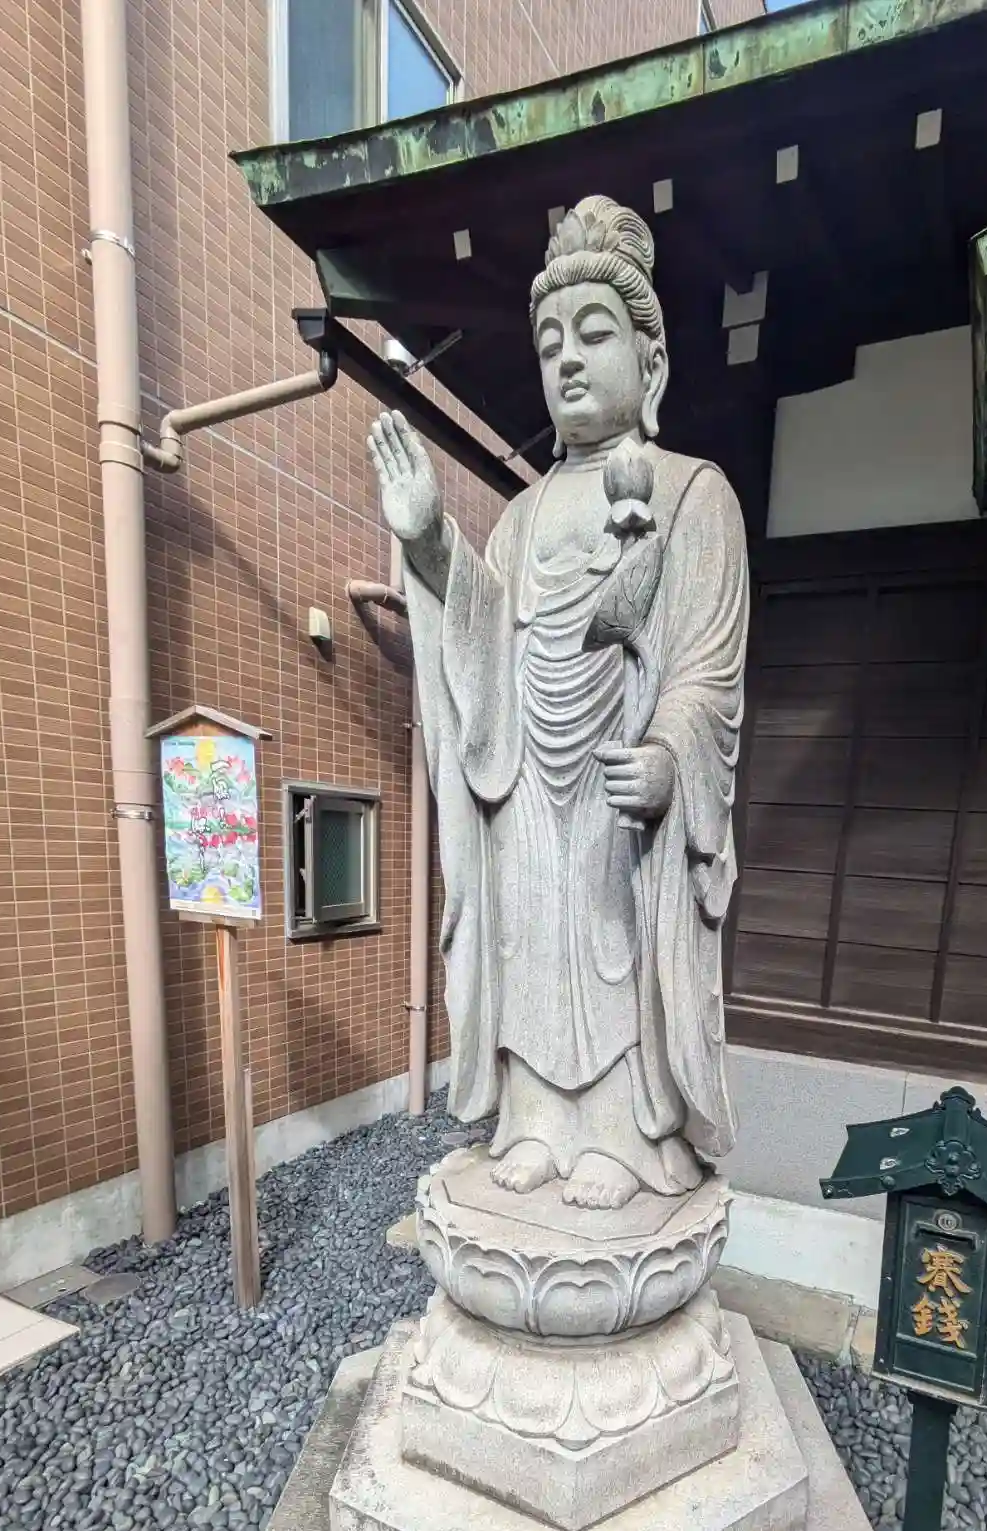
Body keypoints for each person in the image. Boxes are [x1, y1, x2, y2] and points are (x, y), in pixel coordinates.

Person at [369, 195, 747, 1210]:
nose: (568, 359)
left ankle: (624, 1139)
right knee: (529, 937)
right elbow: (484, 632)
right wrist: (431, 542)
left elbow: (708, 666)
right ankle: (537, 1120)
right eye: (550, 344)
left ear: (650, 366)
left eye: (593, 333)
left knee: (614, 940)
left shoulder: (694, 494)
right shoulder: (523, 514)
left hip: (623, 788)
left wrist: (669, 756)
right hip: (528, 771)